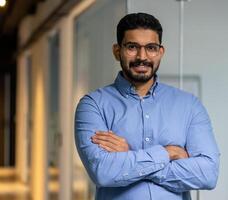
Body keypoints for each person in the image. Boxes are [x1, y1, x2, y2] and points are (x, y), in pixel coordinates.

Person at [75, 12, 220, 200]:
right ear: (117, 51)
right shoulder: (92, 105)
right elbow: (103, 172)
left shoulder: (189, 105)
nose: (142, 56)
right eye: (132, 47)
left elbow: (207, 175)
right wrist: (168, 153)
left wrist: (131, 156)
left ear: (160, 52)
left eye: (151, 48)